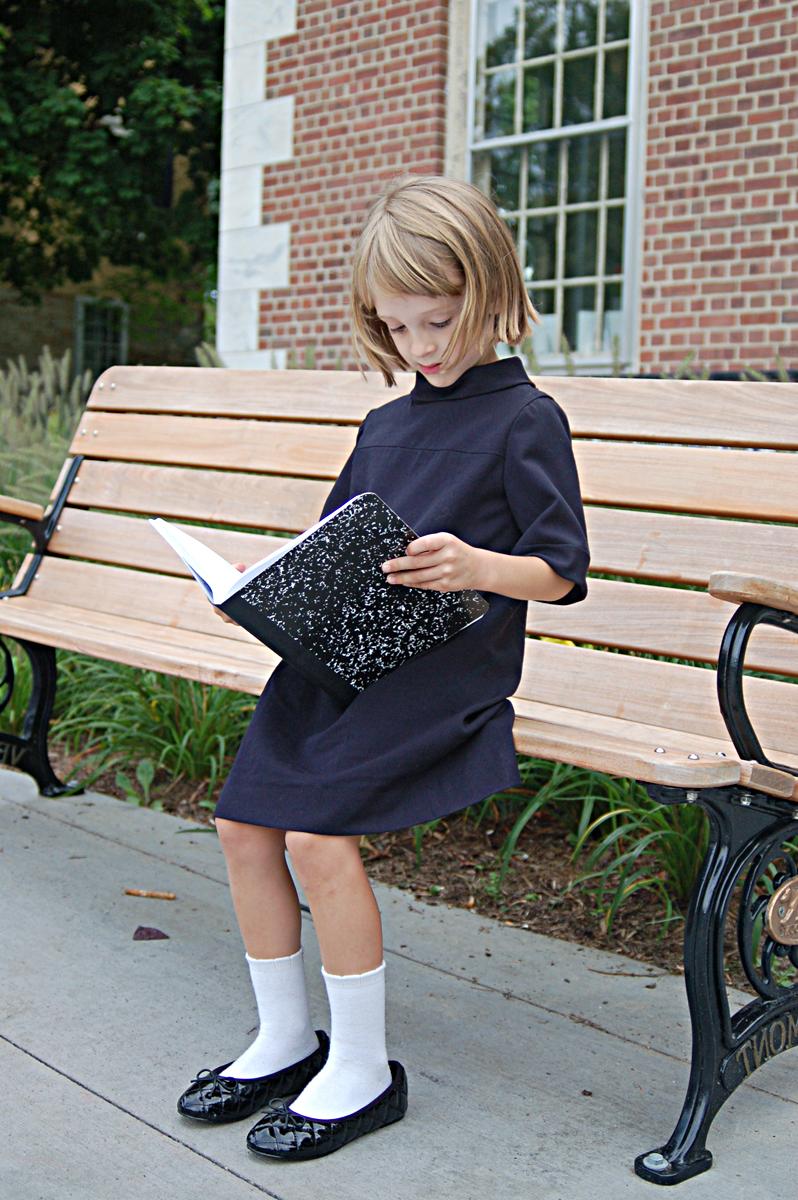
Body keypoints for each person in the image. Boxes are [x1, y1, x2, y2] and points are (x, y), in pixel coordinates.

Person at [176, 173, 590, 1162]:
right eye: (400, 329)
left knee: (316, 835)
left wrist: (480, 565)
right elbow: (338, 540)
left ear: (491, 292)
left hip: (446, 669)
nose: (425, 348)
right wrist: (261, 582)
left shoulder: (523, 420)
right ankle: (285, 1037)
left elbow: (563, 571)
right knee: (243, 822)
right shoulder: (385, 424)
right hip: (347, 657)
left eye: (441, 321)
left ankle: (362, 1069)